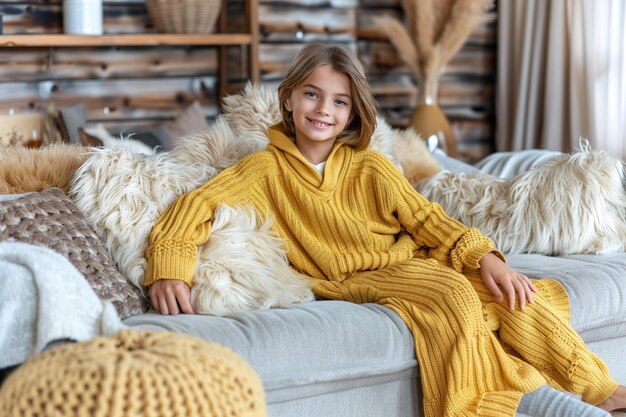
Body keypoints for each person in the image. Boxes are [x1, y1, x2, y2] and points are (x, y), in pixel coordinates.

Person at [143, 43, 626, 417]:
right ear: (288, 99)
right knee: (453, 294)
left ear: (352, 113)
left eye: (339, 101)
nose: (323, 109)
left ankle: (598, 389)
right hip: (352, 279)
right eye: (311, 94)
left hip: (409, 261)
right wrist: (171, 268)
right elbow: (195, 205)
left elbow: (428, 219)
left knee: (514, 293)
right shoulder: (262, 171)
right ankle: (492, 405)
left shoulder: (371, 167)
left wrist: (486, 257)